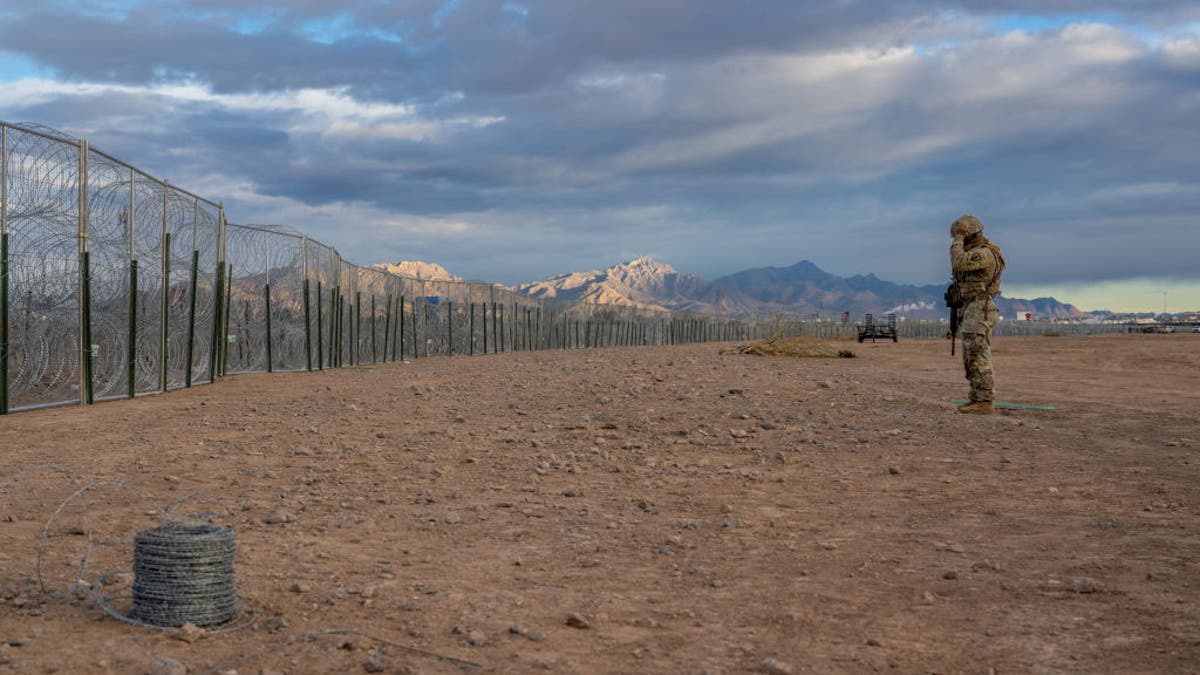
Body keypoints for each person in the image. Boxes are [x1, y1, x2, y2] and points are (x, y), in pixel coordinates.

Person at [949, 215, 1005, 414]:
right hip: (972, 307)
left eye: (960, 236)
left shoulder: (984, 253)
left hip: (980, 308)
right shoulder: (978, 252)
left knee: (978, 354)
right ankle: (977, 398)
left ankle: (985, 400)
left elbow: (959, 263)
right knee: (971, 355)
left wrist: (956, 242)